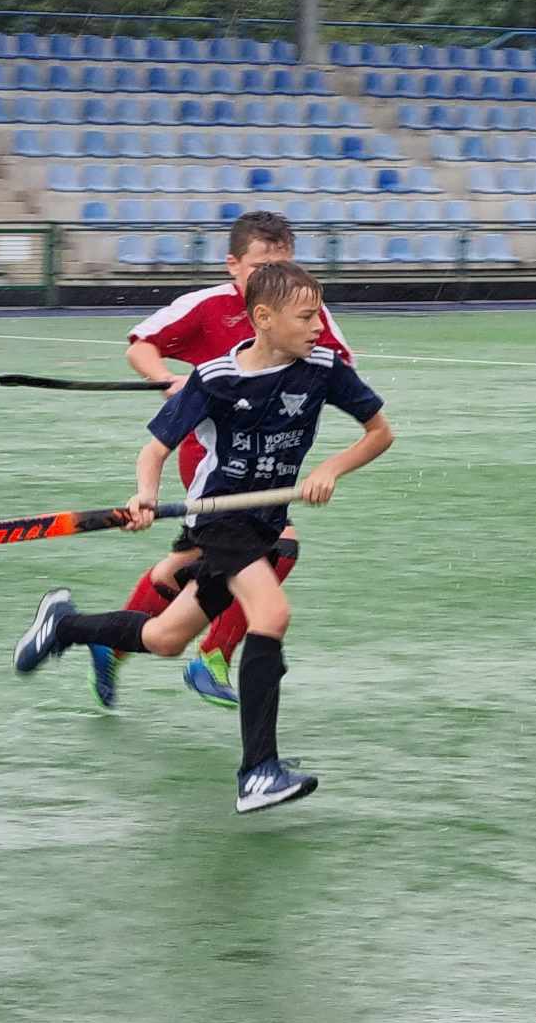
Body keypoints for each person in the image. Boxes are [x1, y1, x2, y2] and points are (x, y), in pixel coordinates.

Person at [12, 261, 393, 813]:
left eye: (319, 315)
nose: (319, 327)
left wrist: (331, 469)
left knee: (165, 638)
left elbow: (379, 432)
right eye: (306, 317)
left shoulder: (324, 368)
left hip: (264, 521)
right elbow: (155, 450)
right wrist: (145, 494)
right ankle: (258, 771)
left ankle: (63, 625)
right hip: (218, 520)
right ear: (264, 318)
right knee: (272, 614)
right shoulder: (214, 379)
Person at [97, 209, 354, 712]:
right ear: (233, 265)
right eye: (260, 266)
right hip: (212, 455)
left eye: (283, 264)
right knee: (277, 546)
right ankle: (213, 656)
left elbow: (339, 362)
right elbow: (142, 346)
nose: (273, 276)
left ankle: (113, 642)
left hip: (268, 457)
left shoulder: (302, 309)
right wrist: (167, 381)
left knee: (187, 566)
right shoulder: (207, 305)